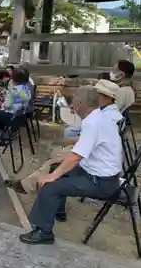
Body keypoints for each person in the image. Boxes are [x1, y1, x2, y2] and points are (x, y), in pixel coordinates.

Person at [19, 86, 122, 245]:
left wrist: (52, 177)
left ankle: (43, 232)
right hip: (98, 174)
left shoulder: (93, 123)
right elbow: (84, 152)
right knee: (56, 166)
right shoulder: (99, 117)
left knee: (50, 185)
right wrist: (62, 162)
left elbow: (76, 157)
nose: (71, 106)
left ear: (80, 104)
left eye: (73, 101)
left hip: (102, 182)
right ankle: (57, 210)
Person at [6, 80, 122, 196]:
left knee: (57, 159)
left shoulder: (105, 117)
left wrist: (63, 142)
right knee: (57, 158)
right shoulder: (102, 113)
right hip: (93, 157)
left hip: (97, 167)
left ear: (106, 97)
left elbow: (83, 148)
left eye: (97, 93)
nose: (94, 96)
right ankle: (30, 185)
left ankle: (33, 187)